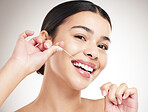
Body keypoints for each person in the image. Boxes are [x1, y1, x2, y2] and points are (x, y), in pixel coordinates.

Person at [0, 0, 138, 112]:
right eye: (80, 37)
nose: (94, 53)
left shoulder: (112, 109)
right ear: (47, 40)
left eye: (102, 46)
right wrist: (18, 64)